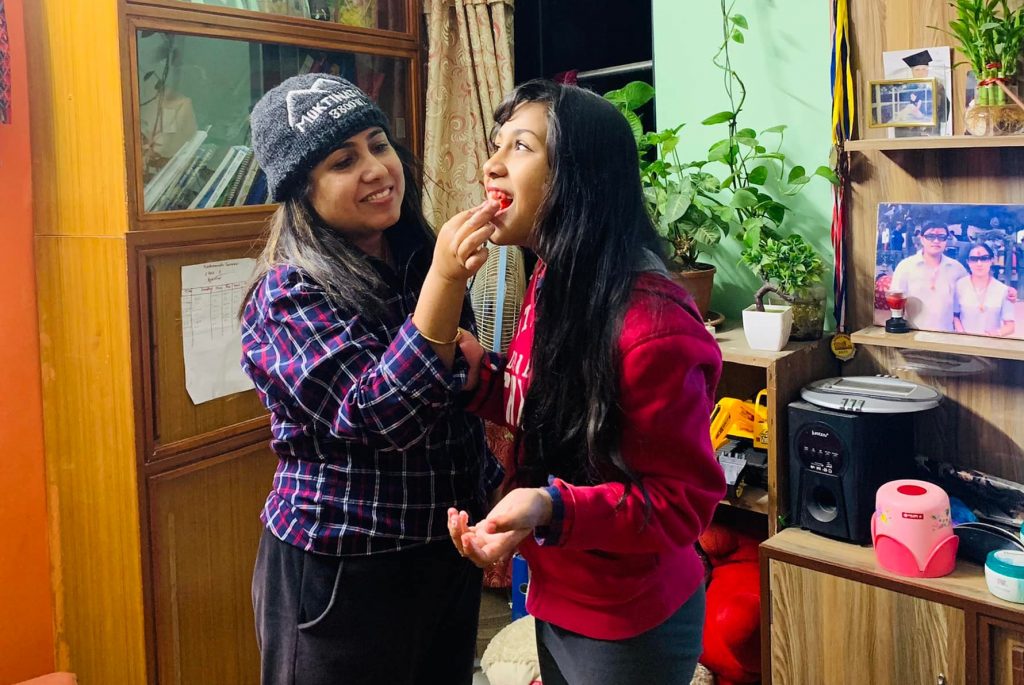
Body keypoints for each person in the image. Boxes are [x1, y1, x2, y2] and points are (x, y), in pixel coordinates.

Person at [420, 80, 727, 684]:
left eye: (522, 146)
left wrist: (551, 506)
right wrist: (481, 382)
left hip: (628, 615)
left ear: (578, 178)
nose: (492, 162)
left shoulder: (650, 325)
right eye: (496, 143)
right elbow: (552, 406)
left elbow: (680, 505)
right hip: (561, 586)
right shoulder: (556, 278)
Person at [240, 74, 503, 685]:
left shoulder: (413, 253)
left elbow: (452, 390)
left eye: (378, 144)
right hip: (341, 567)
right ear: (300, 190)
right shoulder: (284, 294)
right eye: (342, 160)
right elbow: (381, 413)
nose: (376, 169)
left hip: (440, 547)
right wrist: (445, 282)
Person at [890, 221, 967, 332]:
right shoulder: (905, 266)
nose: (936, 241)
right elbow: (895, 304)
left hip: (947, 335)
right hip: (913, 334)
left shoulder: (957, 269)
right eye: (930, 236)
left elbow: (964, 303)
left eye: (941, 237)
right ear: (922, 239)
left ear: (946, 240)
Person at [955, 243, 1016, 337]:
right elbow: (955, 315)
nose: (979, 263)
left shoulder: (1003, 290)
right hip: (964, 343)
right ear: (968, 262)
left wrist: (997, 333)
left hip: (991, 344)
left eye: (984, 258)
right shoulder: (959, 286)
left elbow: (1010, 325)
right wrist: (962, 334)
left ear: (992, 260)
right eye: (974, 259)